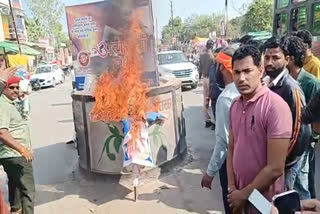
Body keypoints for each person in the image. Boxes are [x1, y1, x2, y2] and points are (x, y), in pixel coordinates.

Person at [227, 45, 292, 213]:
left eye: (247, 71)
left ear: (260, 70)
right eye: (236, 72)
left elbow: (275, 168)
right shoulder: (234, 105)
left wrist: (243, 195)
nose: (241, 78)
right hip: (239, 195)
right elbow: (231, 148)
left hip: (264, 201)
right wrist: (233, 189)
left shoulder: (275, 107)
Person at [263, 36, 312, 200]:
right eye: (267, 57)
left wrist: (282, 162)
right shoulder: (267, 83)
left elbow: (300, 131)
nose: (269, 62)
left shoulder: (291, 88)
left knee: (283, 200)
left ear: (287, 59)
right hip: (270, 163)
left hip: (284, 164)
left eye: (275, 57)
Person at [282, 36, 320, 199]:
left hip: (304, 144)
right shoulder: (282, 82)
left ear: (288, 58)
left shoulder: (310, 82)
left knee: (301, 184)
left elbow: (310, 119)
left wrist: (310, 139)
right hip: (289, 143)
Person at [201, 48, 238, 214]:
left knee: (232, 202)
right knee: (254, 202)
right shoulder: (254, 91)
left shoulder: (227, 98)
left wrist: (209, 172)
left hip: (232, 165)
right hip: (253, 164)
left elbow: (223, 142)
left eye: (217, 65)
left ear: (222, 68)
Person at [0, 76, 35, 214]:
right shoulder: (3, 105)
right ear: (4, 88)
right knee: (28, 190)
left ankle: (16, 210)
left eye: (17, 87)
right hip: (15, 154)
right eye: (11, 87)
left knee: (15, 186)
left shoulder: (8, 103)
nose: (15, 90)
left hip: (11, 154)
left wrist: (20, 97)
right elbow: (2, 133)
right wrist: (22, 149)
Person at [199, 39, 215, 128]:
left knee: (205, 100)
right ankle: (213, 121)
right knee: (212, 99)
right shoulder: (212, 57)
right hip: (211, 79)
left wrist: (199, 77)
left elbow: (200, 68)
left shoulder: (202, 56)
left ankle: (207, 120)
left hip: (204, 78)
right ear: (212, 46)